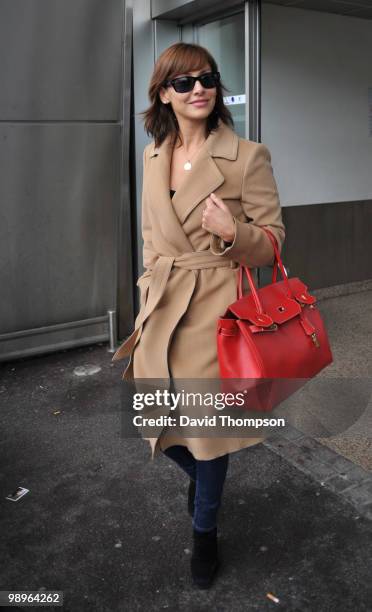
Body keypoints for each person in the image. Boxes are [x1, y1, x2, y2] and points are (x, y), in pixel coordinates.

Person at [112, 42, 285, 589]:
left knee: (208, 432)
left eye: (207, 78)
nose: (198, 89)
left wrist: (237, 234)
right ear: (164, 93)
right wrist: (146, 287)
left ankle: (204, 530)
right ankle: (201, 484)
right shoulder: (154, 154)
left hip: (216, 308)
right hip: (164, 302)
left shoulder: (247, 155)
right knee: (156, 416)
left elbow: (274, 243)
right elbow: (149, 236)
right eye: (183, 83)